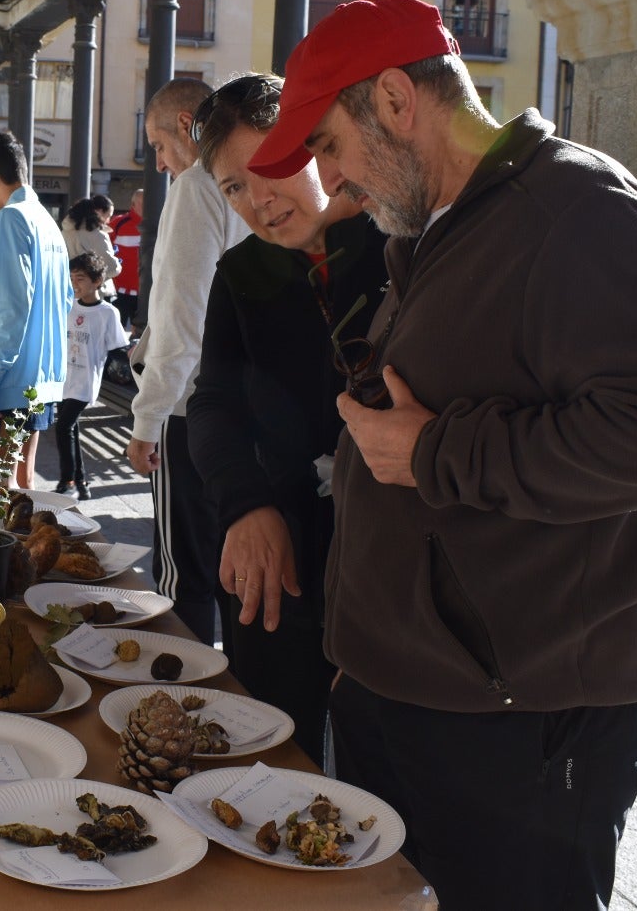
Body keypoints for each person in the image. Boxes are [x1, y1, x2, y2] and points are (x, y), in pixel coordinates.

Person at [249, 0, 637, 910]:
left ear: (395, 99)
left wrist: (437, 452)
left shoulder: (580, 210)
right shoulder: (447, 223)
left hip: (525, 717)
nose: (336, 180)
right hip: (412, 693)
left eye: (328, 145)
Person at [185, 72, 388, 767]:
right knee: (271, 754)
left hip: (394, 565)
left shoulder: (399, 244)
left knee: (381, 780)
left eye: (271, 166)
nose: (258, 200)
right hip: (282, 551)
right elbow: (213, 402)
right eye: (234, 187)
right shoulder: (242, 273)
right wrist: (245, 505)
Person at [127, 78, 251, 645]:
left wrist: (148, 420)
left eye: (156, 144)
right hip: (243, 407)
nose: (157, 162)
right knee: (236, 574)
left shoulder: (198, 187)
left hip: (188, 410)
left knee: (186, 578)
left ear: (185, 125)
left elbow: (182, 315)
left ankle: (183, 701)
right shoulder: (249, 185)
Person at [0, 131, 72, 488]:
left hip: (12, 380)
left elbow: (11, 309)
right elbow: (62, 298)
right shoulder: (46, 221)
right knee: (22, 488)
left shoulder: (10, 218)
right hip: (43, 379)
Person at [54, 250, 130, 499]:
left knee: (63, 426)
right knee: (71, 428)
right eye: (72, 278)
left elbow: (118, 347)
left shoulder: (108, 313)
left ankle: (68, 482)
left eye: (80, 279)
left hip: (86, 382)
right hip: (64, 379)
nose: (74, 284)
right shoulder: (68, 305)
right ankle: (82, 482)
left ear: (97, 281)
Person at [62, 197, 122, 284]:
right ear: (99, 212)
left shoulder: (64, 232)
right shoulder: (98, 235)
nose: (108, 221)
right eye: (108, 216)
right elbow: (113, 268)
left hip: (70, 285)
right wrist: (116, 261)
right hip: (94, 289)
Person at [110, 189, 145, 331]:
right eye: (143, 203)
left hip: (146, 291)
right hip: (120, 290)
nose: (147, 207)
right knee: (117, 332)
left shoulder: (160, 223)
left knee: (142, 336)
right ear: (133, 204)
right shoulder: (118, 223)